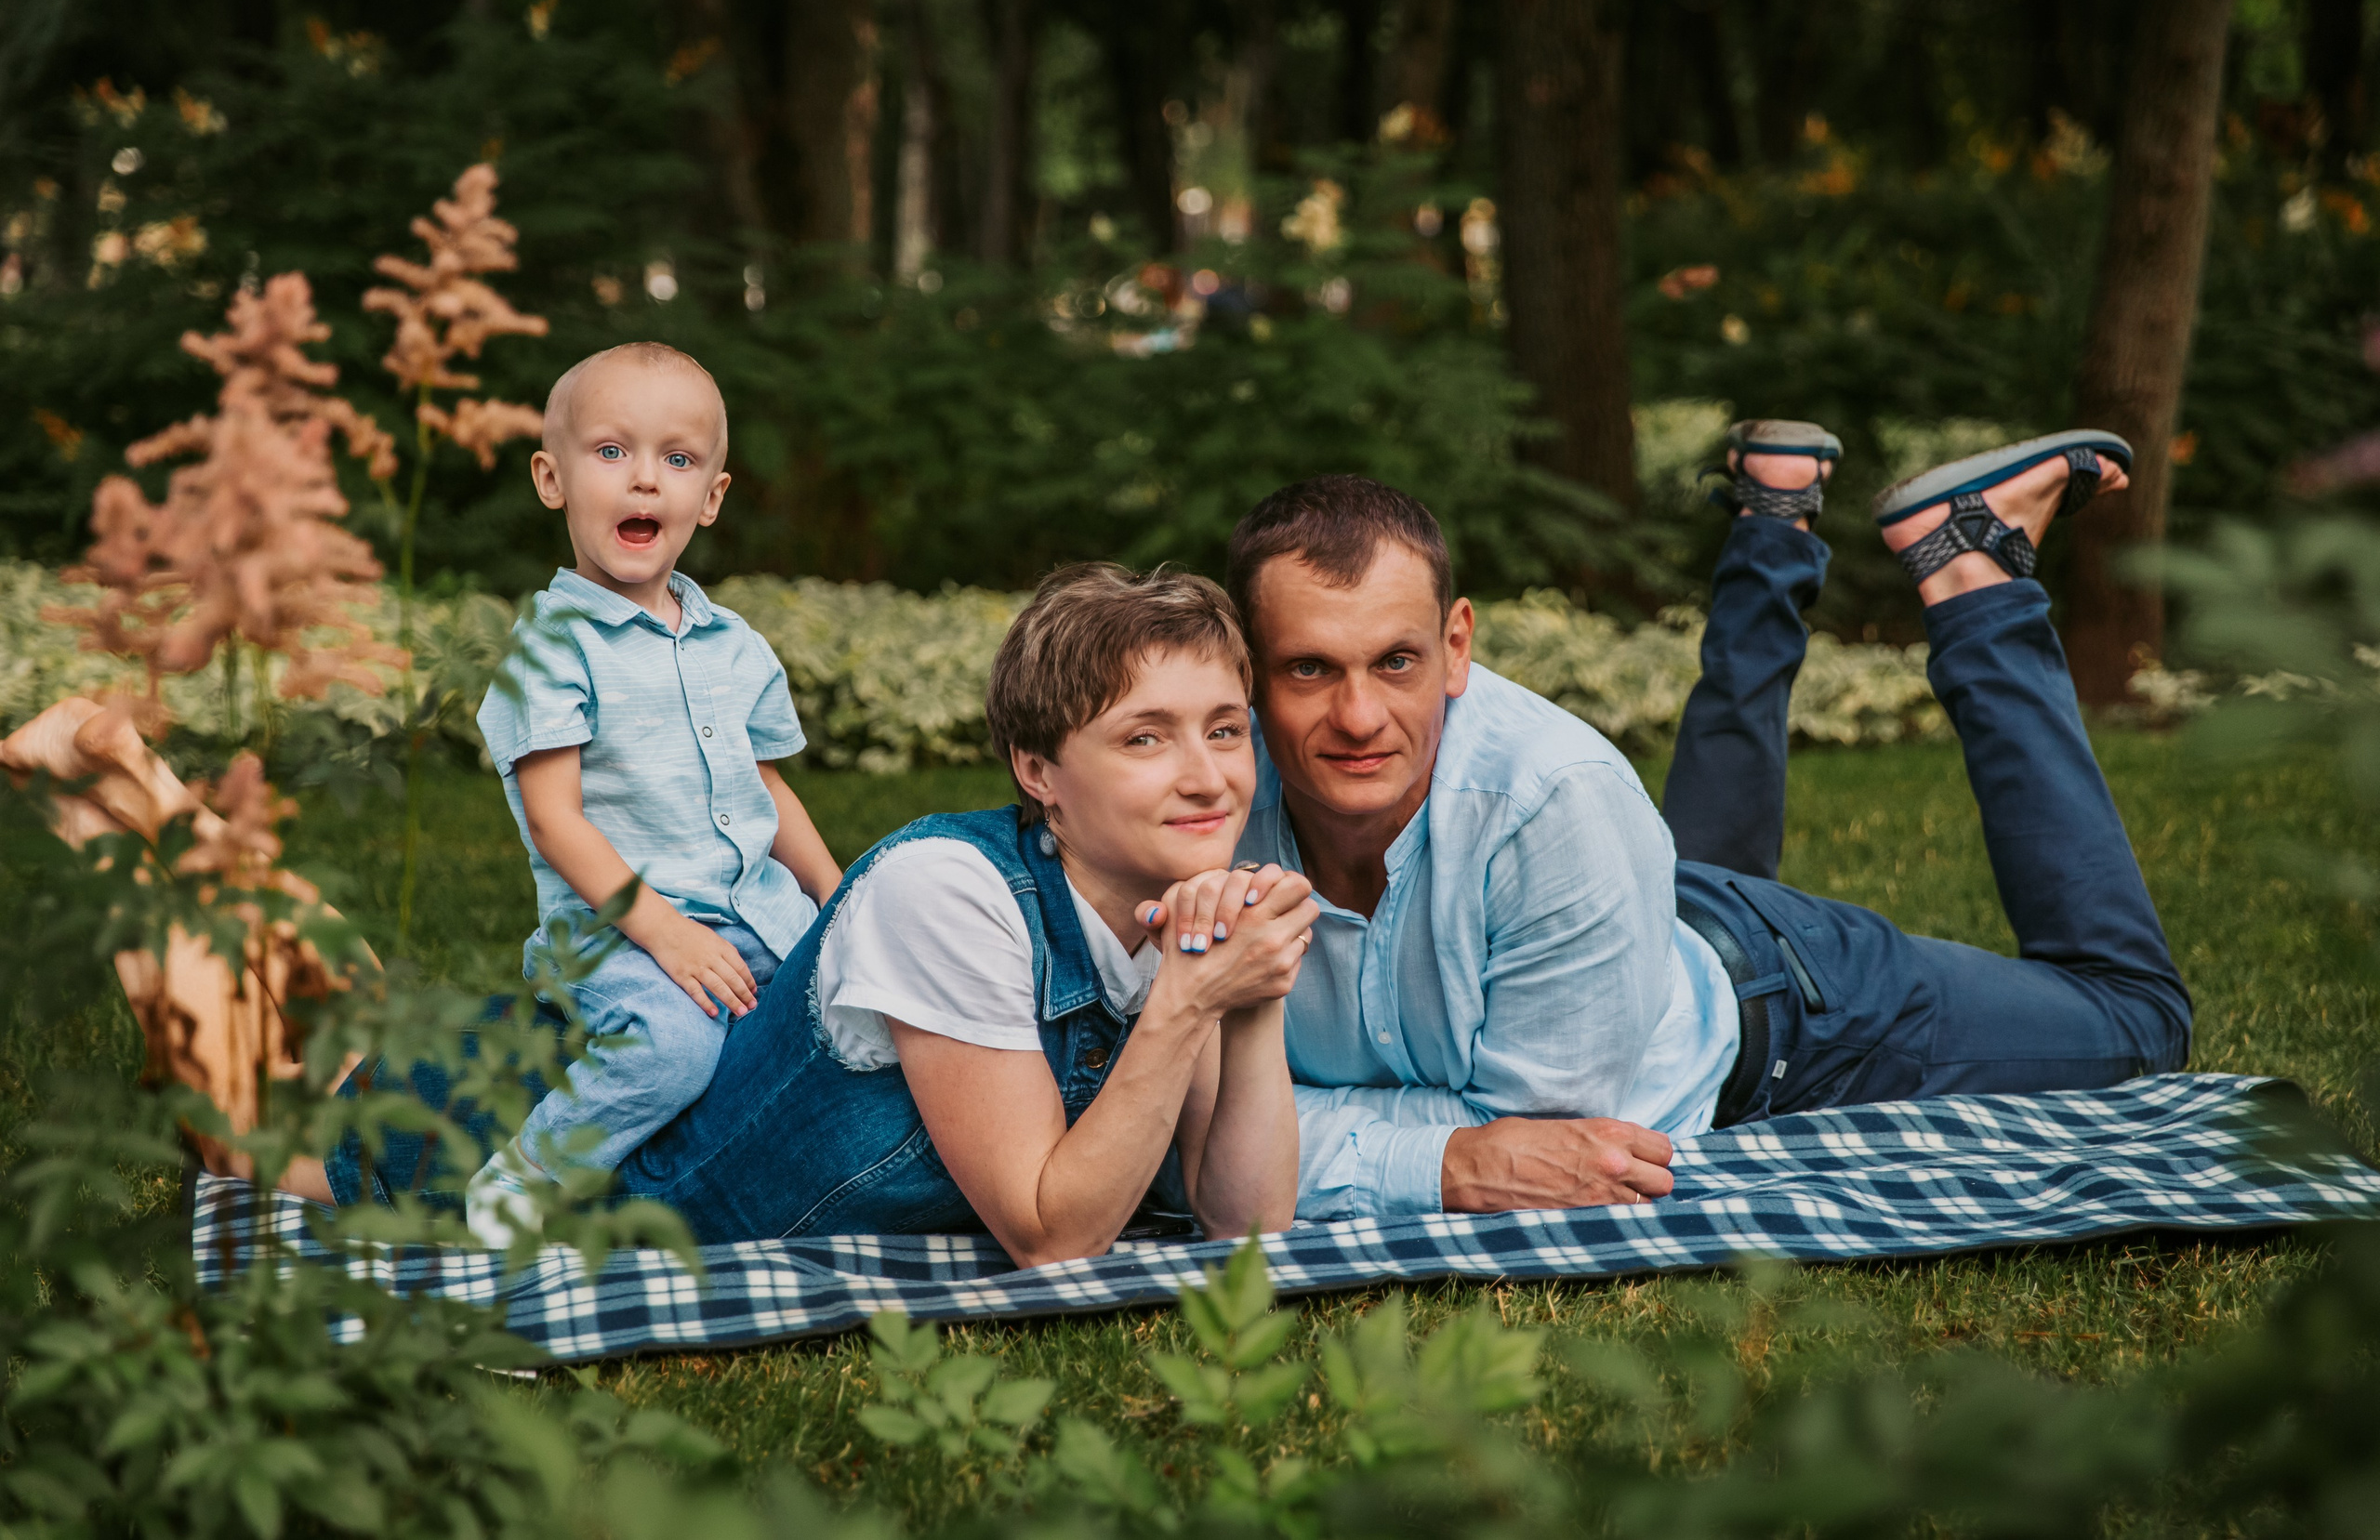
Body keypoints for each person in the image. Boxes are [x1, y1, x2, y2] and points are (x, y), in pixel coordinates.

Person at [1214, 439, 2191, 1222]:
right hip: (1608, 919)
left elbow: (1544, 1139)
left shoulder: (1552, 798)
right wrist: (1446, 1154)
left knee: (2137, 1019)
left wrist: (1282, 1131)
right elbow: (1152, 1117)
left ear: (1457, 646)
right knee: (1652, 858)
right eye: (1307, 670)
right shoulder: (1201, 797)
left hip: (1788, 1007)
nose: (1356, 718)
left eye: (1395, 662)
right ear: (1247, 674)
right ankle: (1774, 524)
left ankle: (1973, 568)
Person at [610, 563, 1314, 1262]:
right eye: (1145, 738)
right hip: (648, 1241)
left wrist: (1253, 991)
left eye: (1224, 731)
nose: (1207, 778)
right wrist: (1187, 1003)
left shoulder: (1176, 899)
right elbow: (1055, 1244)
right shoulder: (946, 892)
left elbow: (1244, 1225)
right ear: (1038, 770)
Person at [465, 341, 842, 1244]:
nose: (644, 482)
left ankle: (761, 1190)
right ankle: (521, 1183)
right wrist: (662, 929)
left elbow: (765, 787)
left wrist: (837, 897)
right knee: (673, 1048)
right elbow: (556, 822)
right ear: (551, 480)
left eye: (676, 460)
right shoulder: (550, 648)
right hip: (611, 931)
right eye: (611, 453)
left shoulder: (734, 645)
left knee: (852, 1015)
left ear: (709, 497)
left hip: (752, 913)